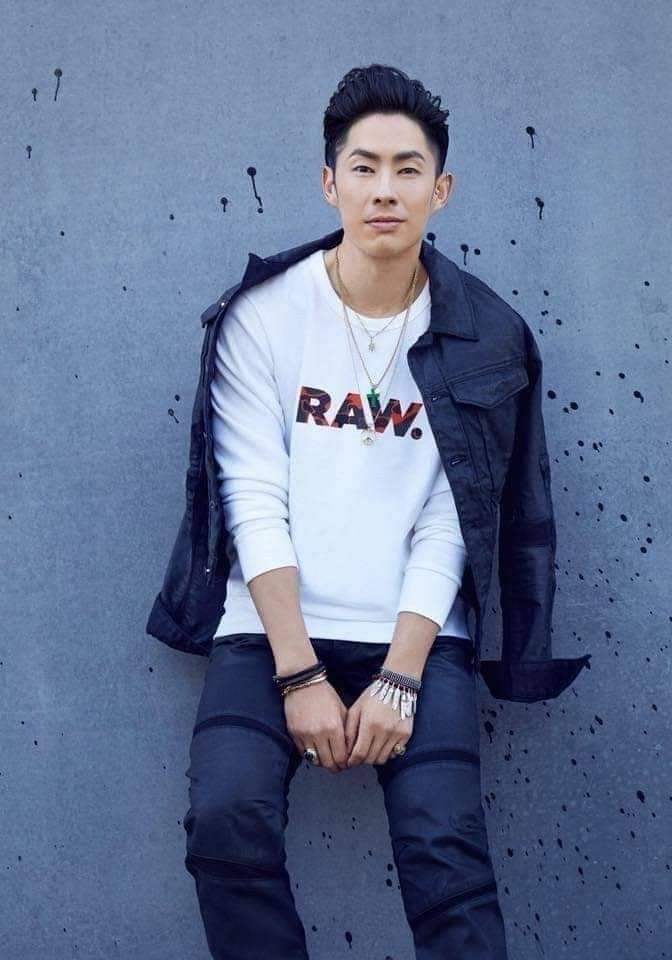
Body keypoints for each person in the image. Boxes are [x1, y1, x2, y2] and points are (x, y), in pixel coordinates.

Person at [180, 63, 515, 958]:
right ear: (330, 183)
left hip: (414, 631)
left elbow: (459, 519)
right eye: (363, 167)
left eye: (408, 170)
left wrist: (401, 676)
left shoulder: (482, 335)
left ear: (439, 191)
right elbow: (251, 500)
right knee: (224, 820)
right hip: (269, 628)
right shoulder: (263, 317)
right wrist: (298, 675)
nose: (384, 190)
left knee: (447, 854)